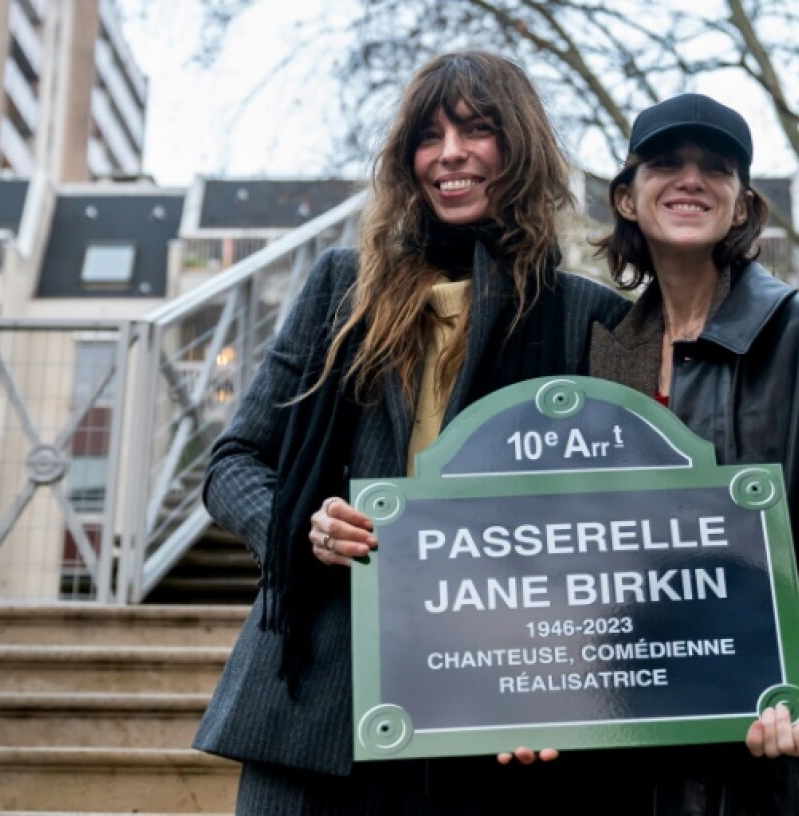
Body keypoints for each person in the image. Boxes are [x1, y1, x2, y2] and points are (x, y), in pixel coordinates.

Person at [193, 51, 628, 813]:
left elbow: (614, 524)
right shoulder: (341, 286)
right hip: (319, 697)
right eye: (429, 136)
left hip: (494, 708)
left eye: (477, 129)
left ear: (519, 147)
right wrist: (302, 528)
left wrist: (571, 680)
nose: (450, 152)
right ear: (407, 161)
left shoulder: (585, 316)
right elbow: (234, 462)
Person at [586, 94, 799, 814]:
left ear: (741, 205)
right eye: (666, 163)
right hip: (636, 756)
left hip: (786, 759)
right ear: (626, 195)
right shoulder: (591, 358)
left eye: (716, 166)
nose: (690, 179)